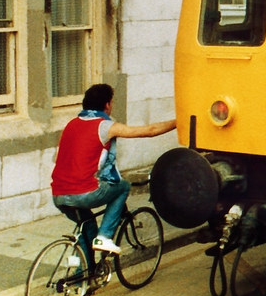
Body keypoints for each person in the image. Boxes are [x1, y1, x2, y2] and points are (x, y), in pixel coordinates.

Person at [51, 84, 176, 259]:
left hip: (59, 194)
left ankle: (83, 278)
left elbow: (59, 158)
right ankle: (104, 237)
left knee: (87, 226)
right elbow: (150, 131)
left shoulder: (71, 125)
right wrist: (179, 122)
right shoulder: (105, 126)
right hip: (85, 192)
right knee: (123, 187)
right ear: (107, 104)